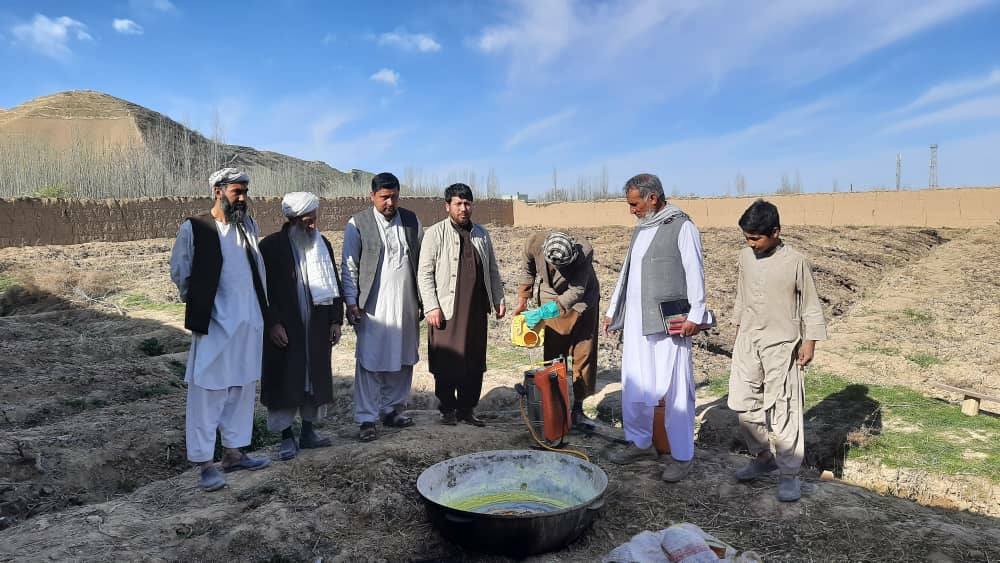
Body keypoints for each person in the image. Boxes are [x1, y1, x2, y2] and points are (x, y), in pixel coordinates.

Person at [169, 167, 271, 492]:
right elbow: (181, 271)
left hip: (248, 321)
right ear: (218, 191)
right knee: (208, 392)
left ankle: (234, 453)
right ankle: (204, 463)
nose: (242, 198)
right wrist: (201, 303)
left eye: (245, 192)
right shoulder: (195, 227)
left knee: (241, 389)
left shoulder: (247, 226)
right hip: (214, 324)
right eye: (236, 192)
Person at [603, 173, 710, 483]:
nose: (631, 210)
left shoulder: (682, 226)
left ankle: (682, 456)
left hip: (670, 325)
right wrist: (613, 310)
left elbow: (695, 271)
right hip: (637, 325)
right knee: (635, 385)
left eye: (634, 204)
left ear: (652, 198)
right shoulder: (641, 229)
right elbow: (626, 273)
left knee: (675, 390)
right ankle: (640, 443)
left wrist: (696, 315)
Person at [728, 199, 827, 502]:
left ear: (776, 232)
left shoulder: (796, 261)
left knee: (784, 410)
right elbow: (742, 296)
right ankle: (762, 458)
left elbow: (810, 304)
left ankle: (788, 475)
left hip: (782, 345)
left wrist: (809, 341)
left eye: (756, 238)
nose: (751, 244)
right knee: (743, 403)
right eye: (747, 238)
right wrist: (738, 330)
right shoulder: (744, 257)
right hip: (748, 339)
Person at [259, 192, 344, 460]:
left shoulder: (322, 244)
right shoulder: (270, 247)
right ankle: (286, 437)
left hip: (317, 327)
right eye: (307, 221)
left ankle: (308, 433)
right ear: (293, 220)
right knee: (285, 380)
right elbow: (262, 292)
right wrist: (272, 324)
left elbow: (334, 284)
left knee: (313, 380)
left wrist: (335, 320)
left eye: (314, 220)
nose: (312, 226)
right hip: (286, 330)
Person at [341, 173, 422, 442]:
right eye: (384, 197)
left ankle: (393, 410)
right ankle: (366, 418)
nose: (390, 202)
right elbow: (349, 265)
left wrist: (424, 301)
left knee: (403, 357)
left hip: (407, 303)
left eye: (394, 196)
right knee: (370, 361)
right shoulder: (358, 223)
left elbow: (422, 264)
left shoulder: (412, 221)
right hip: (372, 307)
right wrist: (351, 301)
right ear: (372, 196)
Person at [418, 183, 506, 426]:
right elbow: (424, 273)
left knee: (474, 360)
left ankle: (467, 409)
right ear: (447, 206)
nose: (463, 208)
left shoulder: (481, 234)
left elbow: (492, 270)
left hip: (476, 309)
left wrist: (498, 298)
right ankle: (447, 409)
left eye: (467, 203)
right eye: (458, 203)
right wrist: (431, 306)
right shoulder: (435, 234)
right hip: (446, 310)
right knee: (447, 361)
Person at [513, 231, 600, 429]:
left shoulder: (584, 252)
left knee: (583, 352)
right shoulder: (534, 242)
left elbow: (577, 290)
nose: (557, 269)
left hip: (583, 299)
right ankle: (554, 404)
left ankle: (578, 407)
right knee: (553, 355)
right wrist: (523, 300)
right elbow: (528, 271)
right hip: (550, 294)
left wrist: (547, 310)